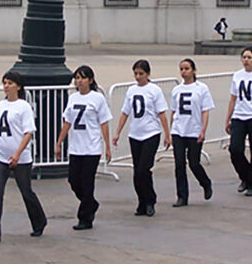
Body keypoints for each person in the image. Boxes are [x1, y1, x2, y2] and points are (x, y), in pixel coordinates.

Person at [0, 71, 47, 241]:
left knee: (26, 191)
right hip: (1, 156)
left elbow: (28, 132)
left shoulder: (23, 107)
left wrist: (17, 154)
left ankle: (39, 221)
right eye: (4, 83)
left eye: (10, 83)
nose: (6, 86)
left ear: (18, 86)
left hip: (20, 158)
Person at [54, 65, 112, 229]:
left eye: (83, 78)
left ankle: (85, 218)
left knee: (87, 182)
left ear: (90, 80)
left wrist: (107, 146)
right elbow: (67, 122)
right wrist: (59, 143)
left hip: (91, 147)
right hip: (76, 148)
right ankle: (91, 203)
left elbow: (104, 123)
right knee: (74, 180)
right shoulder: (73, 98)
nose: (79, 81)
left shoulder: (97, 98)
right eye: (77, 78)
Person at [113, 60, 171, 214]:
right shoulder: (131, 90)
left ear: (147, 74)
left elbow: (161, 114)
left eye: (141, 74)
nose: (138, 77)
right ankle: (141, 201)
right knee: (137, 171)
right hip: (135, 135)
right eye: (136, 74)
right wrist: (118, 132)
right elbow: (125, 112)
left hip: (151, 133)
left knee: (144, 169)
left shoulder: (154, 90)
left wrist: (167, 134)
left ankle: (150, 200)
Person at [223, 47, 252, 197]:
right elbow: (233, 99)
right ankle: (245, 176)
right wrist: (228, 118)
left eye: (249, 57)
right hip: (239, 116)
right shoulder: (237, 75)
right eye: (244, 57)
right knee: (235, 149)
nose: (246, 60)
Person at [168, 58, 214, 206]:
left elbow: (205, 111)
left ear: (193, 70)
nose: (184, 72)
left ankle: (205, 183)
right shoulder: (177, 90)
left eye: (187, 69)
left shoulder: (201, 88)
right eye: (181, 69)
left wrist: (203, 130)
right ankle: (182, 196)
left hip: (194, 130)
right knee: (179, 164)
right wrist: (170, 131)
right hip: (178, 131)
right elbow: (173, 111)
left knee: (194, 162)